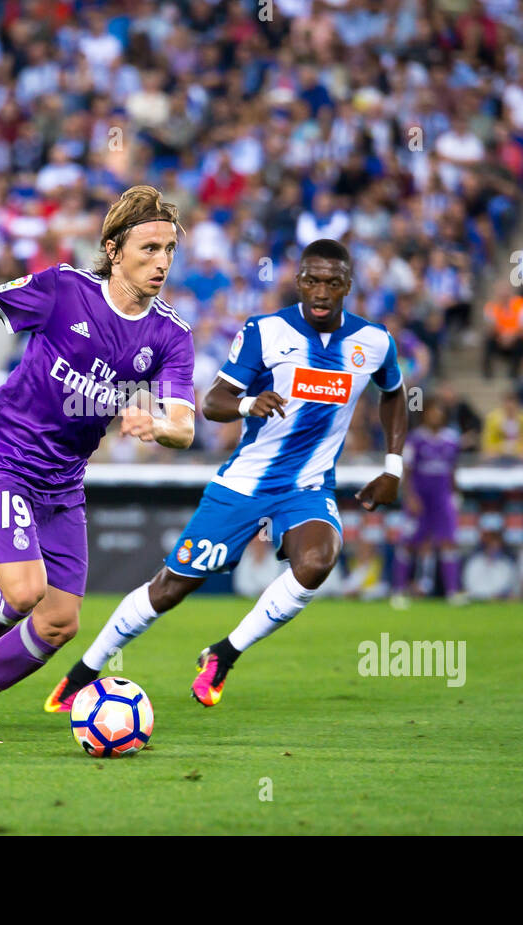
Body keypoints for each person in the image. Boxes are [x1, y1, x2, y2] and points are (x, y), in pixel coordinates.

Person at [44, 237, 406, 714]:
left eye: (332, 283)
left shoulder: (374, 341)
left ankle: (224, 654)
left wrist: (393, 466)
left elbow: (394, 394)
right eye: (312, 281)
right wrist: (247, 403)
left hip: (308, 487)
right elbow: (212, 402)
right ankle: (84, 672)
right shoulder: (265, 331)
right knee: (171, 588)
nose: (321, 292)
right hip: (243, 486)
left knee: (317, 562)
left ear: (348, 286)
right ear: (298, 281)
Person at [0, 185, 197, 743]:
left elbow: (184, 424)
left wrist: (157, 425)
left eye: (170, 250)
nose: (163, 262)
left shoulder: (170, 335)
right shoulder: (62, 289)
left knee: (59, 623)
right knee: (25, 591)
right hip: (3, 453)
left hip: (63, 480)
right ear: (114, 248)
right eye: (149, 248)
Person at [391, 401, 464, 608]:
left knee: (448, 542)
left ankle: (452, 592)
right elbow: (407, 471)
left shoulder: (451, 440)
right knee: (408, 543)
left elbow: (452, 470)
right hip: (420, 499)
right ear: (425, 415)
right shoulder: (415, 440)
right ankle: (399, 590)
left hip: (442, 498)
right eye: (432, 412)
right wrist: (410, 497)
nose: (436, 416)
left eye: (439, 412)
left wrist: (455, 495)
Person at [462, 531, 518, 601]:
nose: (494, 549)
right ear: (486, 546)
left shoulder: (506, 564)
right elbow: (468, 583)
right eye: (491, 546)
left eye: (496, 546)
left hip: (499, 599)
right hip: (476, 597)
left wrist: (499, 595)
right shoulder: (475, 562)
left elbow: (508, 584)